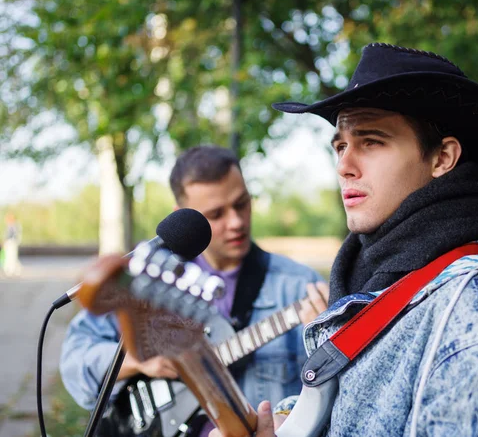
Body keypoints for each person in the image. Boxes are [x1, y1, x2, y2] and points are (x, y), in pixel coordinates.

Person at [211, 43, 478, 436]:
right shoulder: (381, 286)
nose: (344, 166)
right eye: (341, 146)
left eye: (372, 142)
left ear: (441, 158)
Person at [60, 145, 328, 436]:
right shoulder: (151, 279)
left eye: (241, 204)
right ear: (183, 216)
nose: (236, 222)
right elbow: (75, 361)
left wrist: (325, 342)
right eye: (215, 214)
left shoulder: (300, 286)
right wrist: (138, 361)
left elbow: (327, 401)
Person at [3, 213, 22, 277]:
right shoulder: (12, 226)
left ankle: (12, 270)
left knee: (12, 257)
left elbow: (11, 235)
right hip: (10, 243)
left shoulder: (14, 226)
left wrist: (6, 241)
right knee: (10, 257)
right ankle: (11, 270)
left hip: (11, 243)